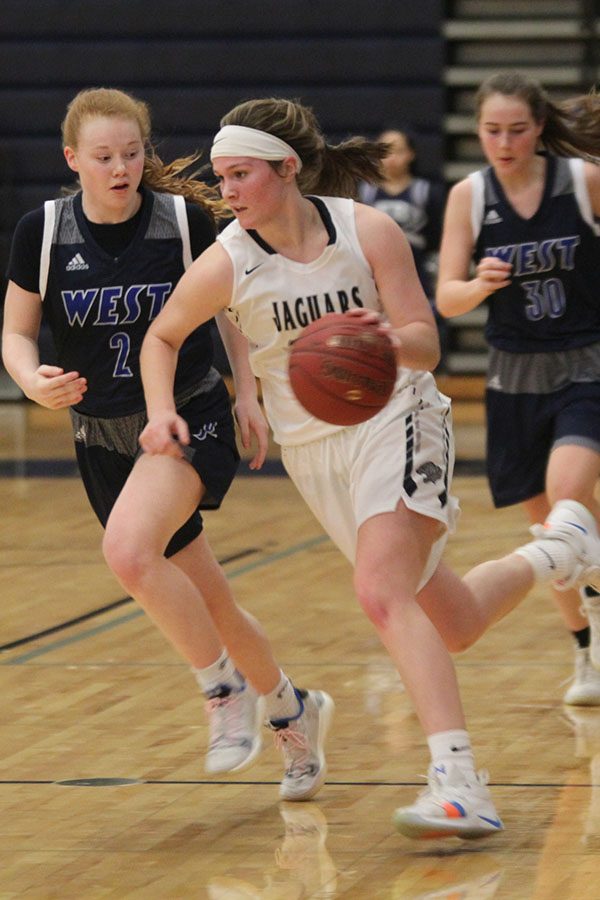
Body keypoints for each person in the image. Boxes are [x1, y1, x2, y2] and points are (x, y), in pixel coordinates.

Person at [137, 95, 600, 839]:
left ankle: (460, 781)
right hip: (315, 452)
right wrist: (163, 410)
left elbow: (426, 342)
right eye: (222, 177)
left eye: (241, 175)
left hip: (400, 418)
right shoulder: (229, 260)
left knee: (381, 593)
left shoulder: (365, 230)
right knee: (453, 621)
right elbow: (160, 338)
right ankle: (561, 548)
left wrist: (378, 340)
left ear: (287, 169)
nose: (227, 192)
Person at [1, 87, 333, 801]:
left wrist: (247, 391)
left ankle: (221, 690)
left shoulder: (183, 220)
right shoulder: (44, 230)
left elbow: (232, 306)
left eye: (131, 153)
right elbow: (16, 332)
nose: (121, 167)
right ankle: (290, 708)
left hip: (186, 416)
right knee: (208, 595)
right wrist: (31, 379)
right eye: (103, 157)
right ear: (73, 160)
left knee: (127, 552)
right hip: (101, 436)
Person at [436, 72, 600, 707]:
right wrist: (479, 284)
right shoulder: (468, 197)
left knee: (566, 499)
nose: (503, 142)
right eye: (491, 130)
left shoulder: (582, 182)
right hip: (512, 376)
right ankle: (585, 647)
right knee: (550, 528)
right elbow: (448, 299)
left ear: (539, 129)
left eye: (517, 129)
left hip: (585, 363)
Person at [359, 125, 448, 368]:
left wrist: (436, 281)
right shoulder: (364, 192)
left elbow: (438, 240)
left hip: (417, 278)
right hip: (374, 281)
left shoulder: (427, 191)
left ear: (411, 154)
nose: (391, 157)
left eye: (398, 151)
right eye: (384, 151)